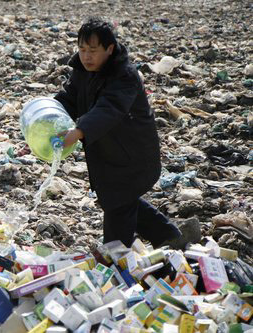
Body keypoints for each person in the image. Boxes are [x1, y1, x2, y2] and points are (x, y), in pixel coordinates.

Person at [55, 17, 181, 248]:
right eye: (82, 49)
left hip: (132, 154)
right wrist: (48, 113)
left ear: (110, 49)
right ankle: (170, 237)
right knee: (119, 199)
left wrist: (79, 130)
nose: (86, 56)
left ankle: (116, 261)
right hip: (108, 152)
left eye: (93, 50)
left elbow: (109, 108)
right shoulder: (82, 71)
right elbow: (70, 98)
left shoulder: (124, 76)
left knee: (118, 203)